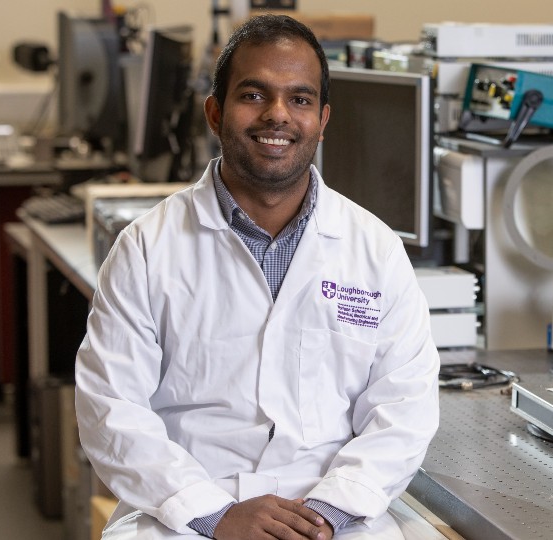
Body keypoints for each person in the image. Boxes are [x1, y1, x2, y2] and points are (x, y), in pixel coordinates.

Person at [75, 14, 440, 540]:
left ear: (323, 118)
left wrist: (325, 515)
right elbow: (111, 408)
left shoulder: (374, 249)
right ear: (215, 112)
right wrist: (214, 514)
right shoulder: (146, 248)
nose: (278, 115)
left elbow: (404, 409)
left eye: (300, 99)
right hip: (182, 509)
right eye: (253, 95)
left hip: (330, 511)